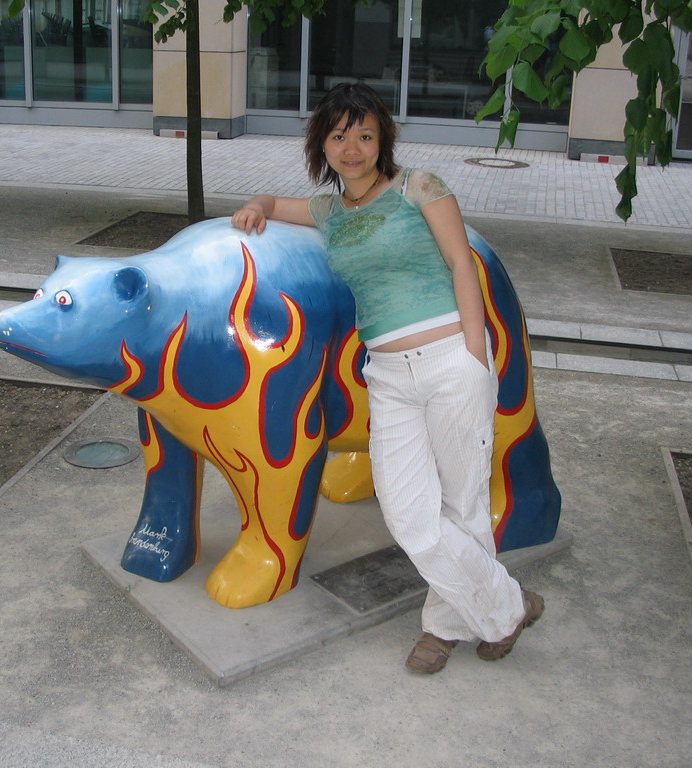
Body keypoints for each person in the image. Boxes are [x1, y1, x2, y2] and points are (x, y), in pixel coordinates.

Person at [231, 82, 543, 673]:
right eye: (340, 135)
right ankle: (508, 605)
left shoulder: (418, 186)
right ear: (322, 143)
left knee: (462, 504)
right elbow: (273, 203)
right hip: (390, 378)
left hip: (451, 358)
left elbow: (461, 262)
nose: (353, 147)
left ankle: (442, 628)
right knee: (407, 513)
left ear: (383, 140)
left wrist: (475, 353)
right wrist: (257, 204)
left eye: (365, 135)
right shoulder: (327, 211)